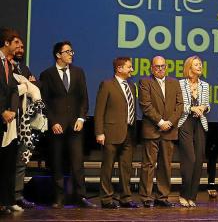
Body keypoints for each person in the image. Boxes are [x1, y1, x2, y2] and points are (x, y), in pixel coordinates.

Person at [40, 41, 95, 208]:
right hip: (57, 125)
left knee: (77, 163)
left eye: (72, 51)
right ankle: (59, 198)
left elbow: (83, 98)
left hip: (75, 125)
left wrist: (81, 118)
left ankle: (81, 196)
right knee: (56, 162)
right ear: (58, 55)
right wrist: (52, 121)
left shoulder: (78, 72)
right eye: (67, 51)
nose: (71, 54)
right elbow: (44, 101)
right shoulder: (47, 74)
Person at [138, 56, 183, 208]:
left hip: (169, 130)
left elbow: (180, 105)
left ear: (166, 67)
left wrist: (169, 122)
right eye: (157, 67)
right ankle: (146, 197)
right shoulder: (145, 82)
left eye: (163, 66)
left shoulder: (174, 82)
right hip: (152, 129)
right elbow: (146, 105)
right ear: (151, 68)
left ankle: (162, 196)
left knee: (166, 165)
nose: (160, 69)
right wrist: (160, 122)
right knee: (149, 165)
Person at [94, 57, 139, 209]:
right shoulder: (107, 85)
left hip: (129, 132)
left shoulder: (131, 86)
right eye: (129, 67)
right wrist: (99, 132)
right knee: (107, 167)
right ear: (119, 69)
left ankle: (125, 198)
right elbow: (99, 111)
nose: (131, 70)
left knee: (126, 168)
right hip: (111, 132)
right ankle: (106, 199)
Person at [177, 56, 210, 207]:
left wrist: (203, 108)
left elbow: (207, 104)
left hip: (200, 123)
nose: (199, 66)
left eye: (200, 64)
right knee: (189, 159)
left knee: (198, 162)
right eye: (196, 64)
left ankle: (192, 196)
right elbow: (177, 105)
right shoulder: (180, 84)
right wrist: (191, 108)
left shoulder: (205, 85)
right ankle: (183, 193)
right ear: (189, 67)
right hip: (185, 123)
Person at [9, 39, 37, 209]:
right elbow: (10, 90)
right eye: (17, 46)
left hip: (24, 122)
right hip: (9, 120)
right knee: (7, 161)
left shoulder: (24, 69)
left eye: (22, 47)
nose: (20, 49)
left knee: (21, 160)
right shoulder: (5, 68)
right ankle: (7, 198)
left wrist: (29, 84)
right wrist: (26, 85)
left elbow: (35, 85)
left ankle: (17, 195)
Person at [0, 28, 20, 215]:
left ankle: (6, 200)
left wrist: (12, 110)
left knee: (7, 162)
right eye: (15, 43)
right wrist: (2, 111)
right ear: (6, 43)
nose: (18, 47)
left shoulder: (9, 64)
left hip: (8, 119)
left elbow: (13, 89)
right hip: (1, 115)